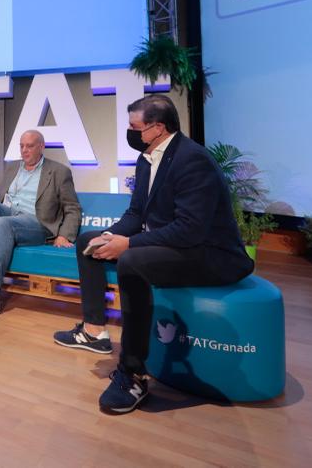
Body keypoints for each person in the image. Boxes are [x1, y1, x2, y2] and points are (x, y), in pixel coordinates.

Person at [53, 94, 253, 414]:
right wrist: (113, 235)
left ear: (158, 128)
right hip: (176, 244)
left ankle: (132, 373)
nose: (130, 133)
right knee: (89, 242)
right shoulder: (147, 158)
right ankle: (93, 330)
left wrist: (128, 245)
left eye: (135, 127)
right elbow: (136, 214)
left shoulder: (192, 160)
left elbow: (190, 230)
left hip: (211, 254)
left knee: (132, 261)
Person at [0, 129, 82, 324]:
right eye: (22, 146)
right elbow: (2, 200)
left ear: (41, 147)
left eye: (30, 146)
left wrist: (65, 235)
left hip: (37, 223)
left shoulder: (59, 172)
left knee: (2, 224)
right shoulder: (12, 169)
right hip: (10, 214)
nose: (24, 150)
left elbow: (72, 207)